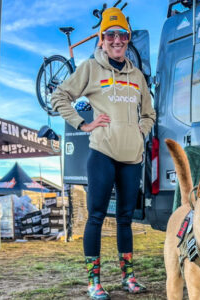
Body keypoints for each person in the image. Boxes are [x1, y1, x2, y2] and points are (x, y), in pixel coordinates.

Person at [51, 7, 156, 300]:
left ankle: (128, 278)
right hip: (102, 153)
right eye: (110, 35)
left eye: (121, 35)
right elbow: (60, 96)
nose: (116, 40)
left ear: (128, 38)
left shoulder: (137, 76)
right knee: (96, 216)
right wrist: (83, 123)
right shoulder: (90, 68)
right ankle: (93, 283)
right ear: (102, 39)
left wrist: (141, 131)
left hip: (131, 157)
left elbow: (149, 113)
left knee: (125, 219)